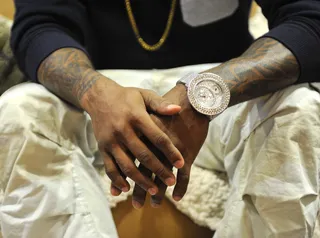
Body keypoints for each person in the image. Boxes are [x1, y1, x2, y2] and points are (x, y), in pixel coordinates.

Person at [0, 0, 320, 237]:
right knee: (19, 110)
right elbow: (40, 26)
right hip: (102, 89)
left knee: (300, 108)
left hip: (224, 88)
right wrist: (96, 95)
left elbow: (310, 19)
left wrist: (204, 93)